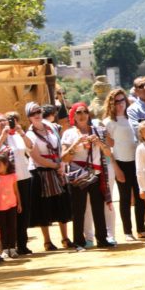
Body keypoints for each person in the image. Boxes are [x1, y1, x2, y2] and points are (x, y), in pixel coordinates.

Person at [61, 102, 116, 251]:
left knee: (98, 208)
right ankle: (78, 241)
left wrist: (99, 142)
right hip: (79, 175)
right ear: (74, 116)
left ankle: (102, 239)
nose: (82, 115)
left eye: (84, 112)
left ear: (88, 114)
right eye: (78, 112)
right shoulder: (69, 133)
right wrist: (76, 144)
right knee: (79, 209)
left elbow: (109, 152)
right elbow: (64, 158)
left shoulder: (97, 131)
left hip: (96, 174)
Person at [25, 102, 71, 251]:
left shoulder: (50, 126)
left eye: (38, 111)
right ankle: (47, 241)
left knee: (62, 204)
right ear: (29, 117)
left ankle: (65, 238)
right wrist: (55, 166)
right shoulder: (29, 134)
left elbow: (59, 145)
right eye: (33, 113)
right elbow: (36, 157)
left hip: (57, 168)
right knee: (43, 207)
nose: (37, 115)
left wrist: (60, 164)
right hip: (41, 172)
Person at [0, 112, 33, 254]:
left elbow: (31, 147)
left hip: (22, 177)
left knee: (23, 212)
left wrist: (20, 131)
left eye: (5, 120)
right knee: (6, 216)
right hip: (3, 181)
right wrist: (3, 136)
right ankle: (7, 246)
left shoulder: (16, 135)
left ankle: (22, 244)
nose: (3, 123)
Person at [103, 88, 145, 242]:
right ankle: (128, 231)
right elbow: (109, 148)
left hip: (137, 160)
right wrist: (116, 167)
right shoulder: (108, 122)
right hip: (120, 161)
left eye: (122, 100)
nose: (120, 104)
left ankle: (141, 228)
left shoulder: (132, 118)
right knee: (125, 198)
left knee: (141, 196)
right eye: (116, 101)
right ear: (111, 103)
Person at [0, 154, 21, 260]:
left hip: (12, 205)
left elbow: (16, 190)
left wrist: (19, 204)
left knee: (12, 227)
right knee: (2, 229)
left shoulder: (13, 176)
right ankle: (4, 249)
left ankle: (12, 248)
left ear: (6, 164)